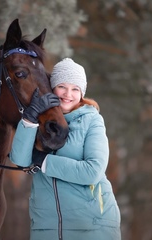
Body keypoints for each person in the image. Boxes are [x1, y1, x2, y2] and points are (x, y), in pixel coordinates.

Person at [10, 58, 121, 240]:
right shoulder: (42, 120)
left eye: (75, 89)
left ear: (82, 93)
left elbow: (92, 171)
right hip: (46, 228)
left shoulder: (92, 120)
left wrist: (44, 161)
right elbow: (20, 160)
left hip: (92, 226)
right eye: (62, 86)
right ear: (52, 88)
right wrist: (29, 118)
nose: (68, 94)